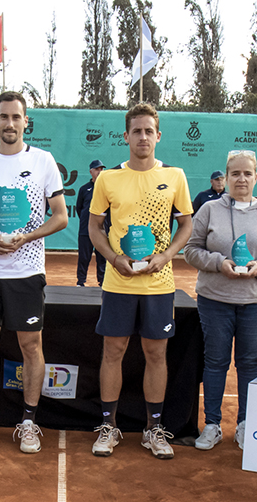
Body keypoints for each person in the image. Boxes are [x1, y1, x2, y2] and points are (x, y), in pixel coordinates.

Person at [0, 91, 67, 454]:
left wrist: (26, 238)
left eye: (16, 117)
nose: (10, 124)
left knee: (30, 345)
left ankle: (29, 422)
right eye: (4, 117)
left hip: (27, 270)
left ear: (25, 121)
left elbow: (60, 216)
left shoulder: (44, 161)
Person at [87, 103, 193, 459]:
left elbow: (186, 225)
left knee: (155, 353)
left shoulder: (175, 176)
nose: (143, 137)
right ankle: (107, 426)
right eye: (137, 131)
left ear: (158, 136)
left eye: (149, 131)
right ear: (126, 136)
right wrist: (114, 259)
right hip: (118, 283)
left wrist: (165, 257)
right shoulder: (108, 179)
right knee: (113, 351)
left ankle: (154, 428)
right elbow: (94, 227)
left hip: (159, 284)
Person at [184, 150, 257, 451]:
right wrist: (219, 263)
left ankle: (246, 424)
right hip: (215, 299)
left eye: (247, 174)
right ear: (226, 177)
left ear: (256, 177)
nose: (241, 179)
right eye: (235, 174)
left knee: (248, 363)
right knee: (215, 362)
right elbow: (191, 250)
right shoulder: (208, 210)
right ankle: (213, 425)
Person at [75, 159, 106, 287]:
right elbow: (79, 208)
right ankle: (81, 282)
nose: (100, 171)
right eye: (97, 169)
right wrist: (87, 223)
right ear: (91, 172)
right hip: (85, 230)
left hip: (102, 231)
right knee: (84, 257)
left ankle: (102, 282)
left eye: (101, 169)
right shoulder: (84, 189)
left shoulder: (106, 189)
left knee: (102, 258)